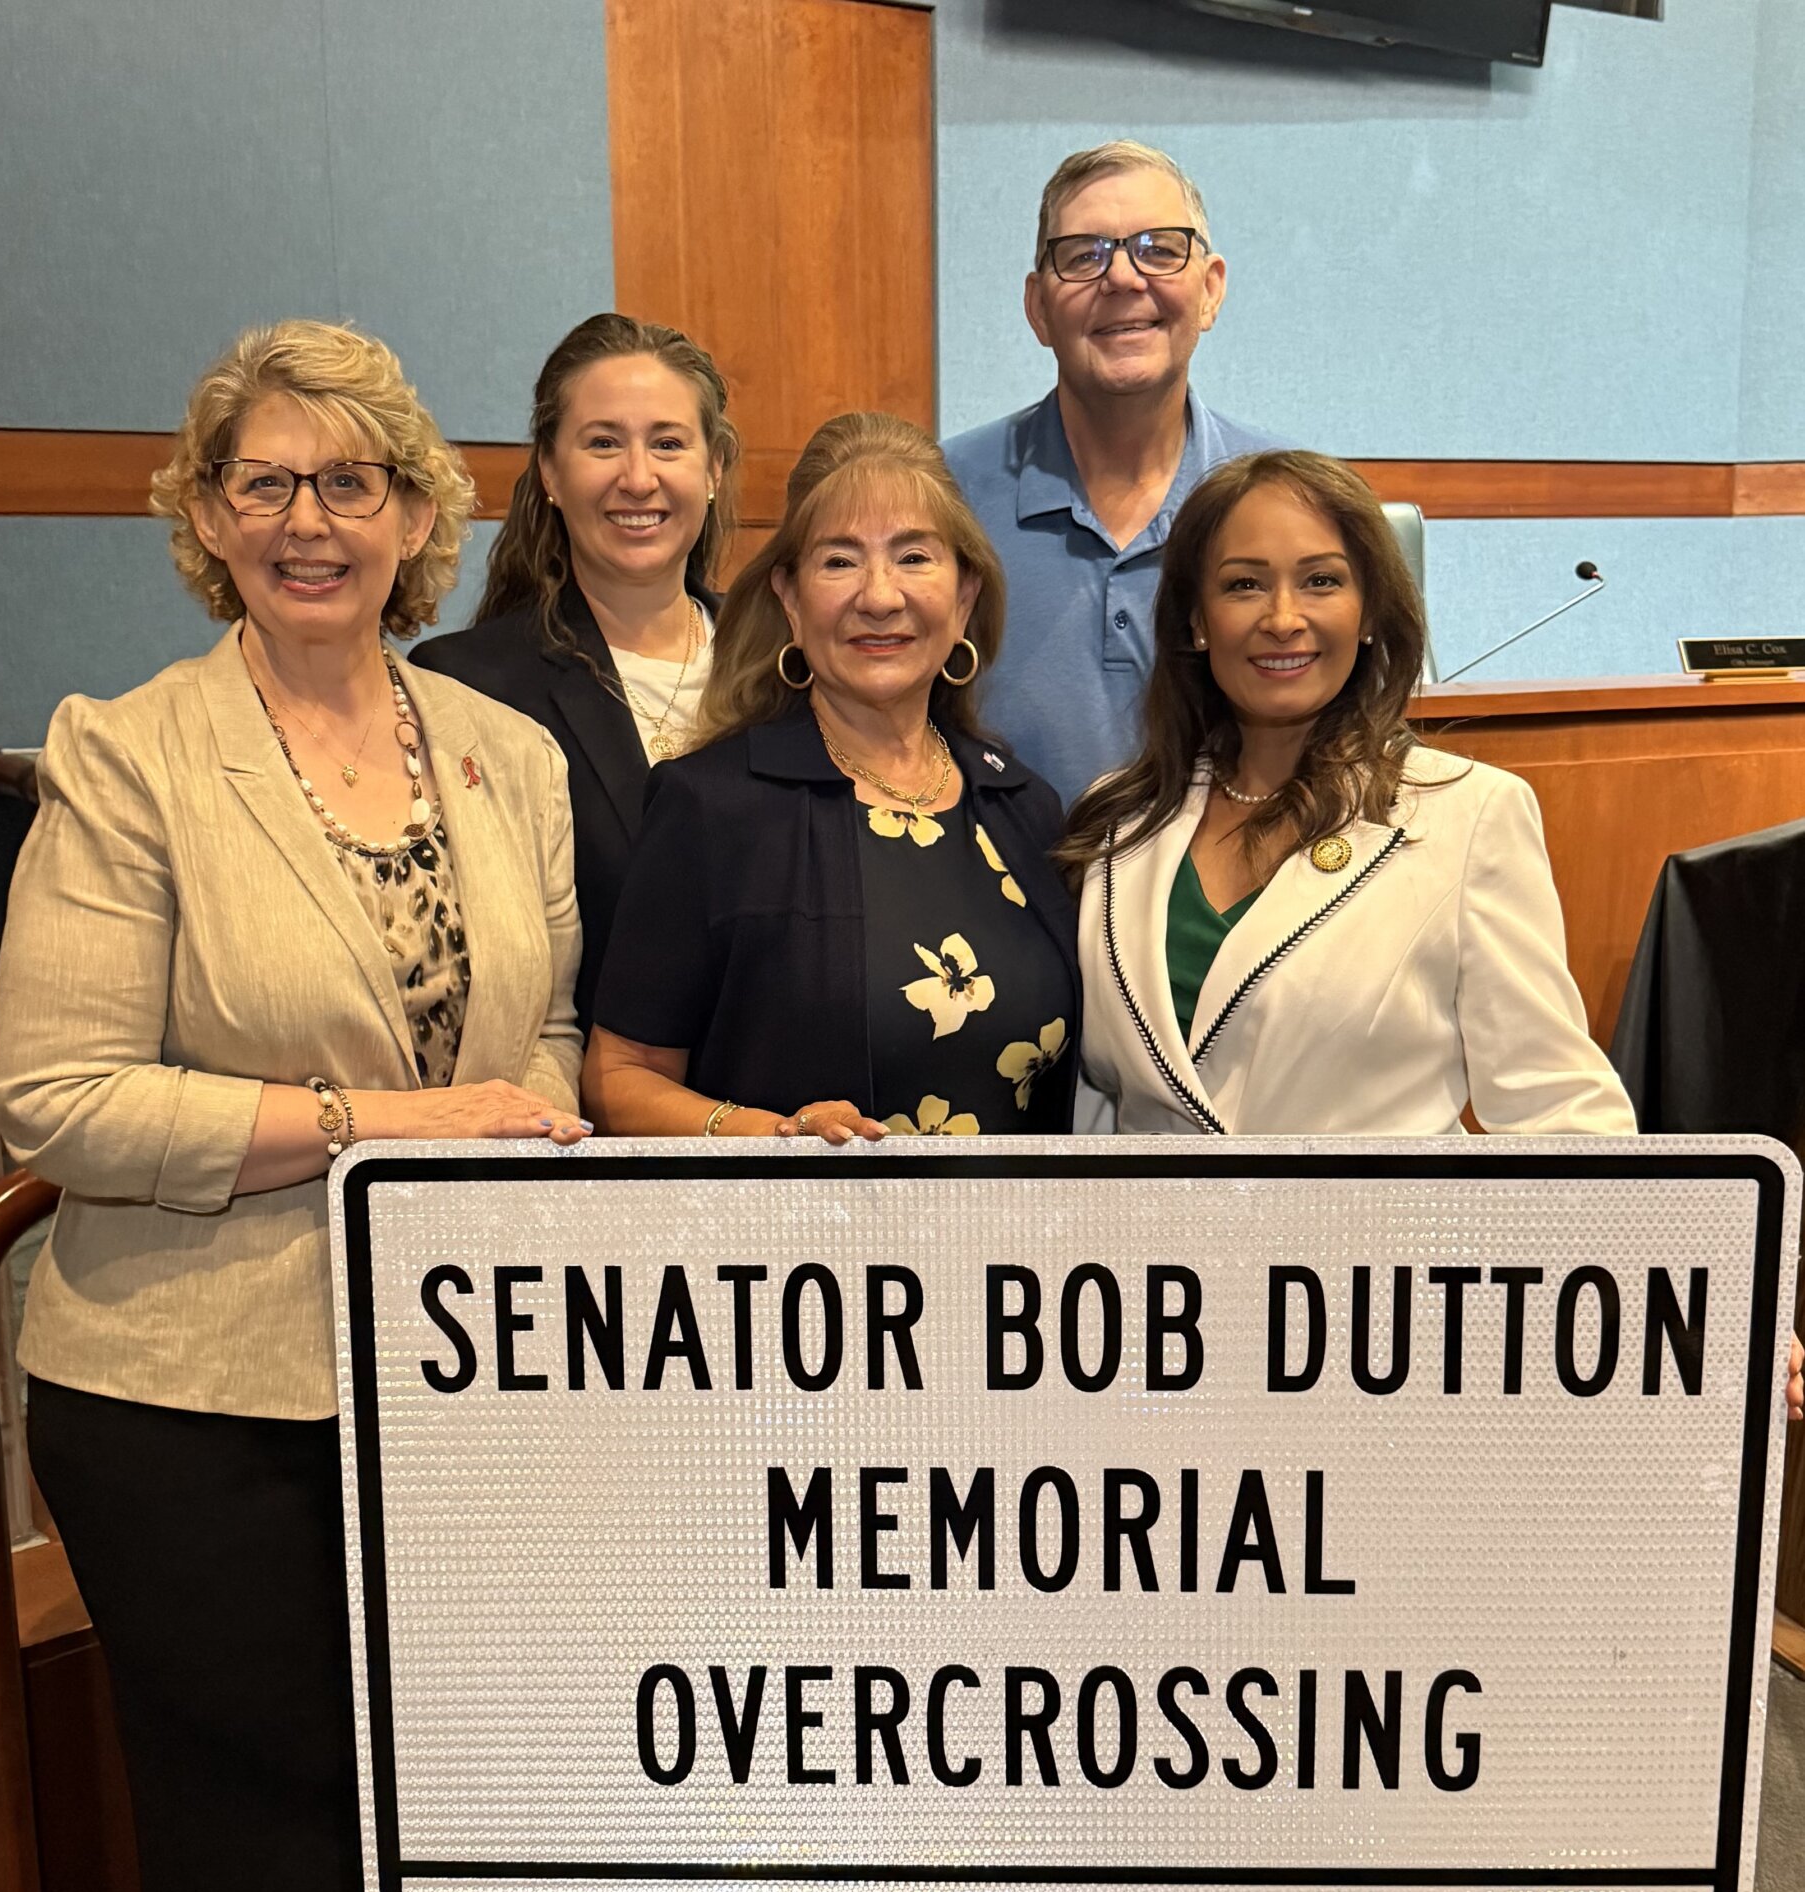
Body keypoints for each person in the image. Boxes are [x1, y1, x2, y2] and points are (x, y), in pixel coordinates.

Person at [0, 319, 588, 1892]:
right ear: (207, 518)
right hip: (196, 1389)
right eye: (268, 483)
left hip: (469, 1397)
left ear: (422, 519)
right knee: (255, 1832)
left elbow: (555, 1049)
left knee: (462, 1812)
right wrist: (369, 1124)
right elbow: (55, 1091)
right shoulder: (132, 749)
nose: (311, 518)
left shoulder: (508, 756)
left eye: (353, 483)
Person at [1068, 447, 1636, 1138]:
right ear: (1196, 619)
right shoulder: (1119, 818)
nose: (1282, 617)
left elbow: (1559, 1110)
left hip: (1379, 1245)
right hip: (1152, 1245)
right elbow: (1093, 1108)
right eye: (1244, 584)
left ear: (1369, 612)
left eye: (1321, 582)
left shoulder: (1469, 815)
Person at [585, 413, 1079, 1143]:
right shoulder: (713, 806)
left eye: (914, 557)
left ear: (965, 594)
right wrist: (763, 1136)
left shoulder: (1026, 809)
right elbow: (617, 1076)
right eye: (840, 561)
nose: (879, 596)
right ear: (788, 595)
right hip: (797, 1247)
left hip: (1014, 1251)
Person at [412, 312, 737, 1032]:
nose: (638, 477)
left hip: (803, 1122)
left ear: (713, 469)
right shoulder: (466, 688)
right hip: (584, 1120)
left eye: (668, 443)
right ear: (551, 473)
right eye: (602, 443)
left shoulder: (789, 668)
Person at [943, 139, 1276, 813]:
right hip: (1000, 910)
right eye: (1084, 255)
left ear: (1210, 290)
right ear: (1038, 308)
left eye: (1159, 249)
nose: (1123, 278)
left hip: (1241, 911)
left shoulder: (1288, 501)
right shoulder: (942, 495)